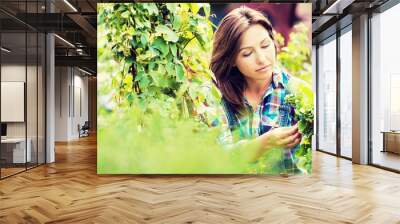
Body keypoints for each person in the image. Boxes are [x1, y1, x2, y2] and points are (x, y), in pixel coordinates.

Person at [210, 6, 302, 173]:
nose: (262, 59)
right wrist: (266, 142)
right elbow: (219, 157)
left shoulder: (296, 92)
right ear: (231, 59)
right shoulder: (216, 94)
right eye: (247, 53)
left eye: (265, 45)